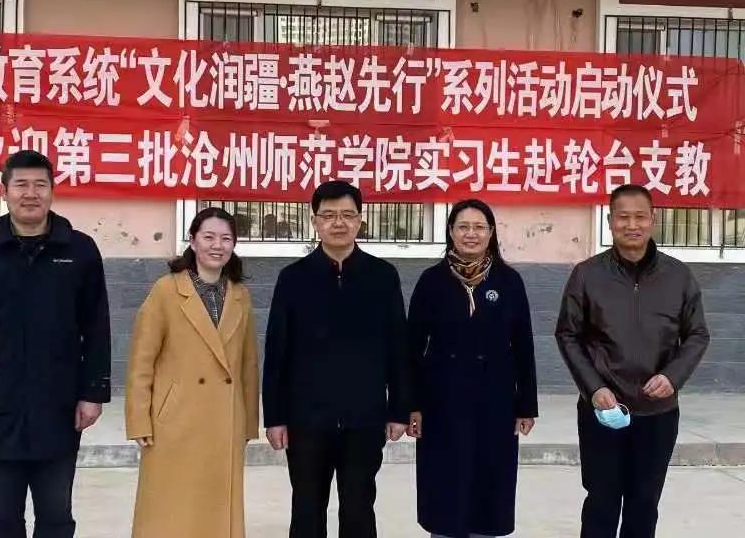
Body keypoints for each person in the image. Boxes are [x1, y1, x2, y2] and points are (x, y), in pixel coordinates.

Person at [0, 150, 111, 538]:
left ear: (52, 191)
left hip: (59, 405)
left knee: (56, 516)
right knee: (2, 517)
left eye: (40, 185)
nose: (31, 193)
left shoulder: (79, 251)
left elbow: (97, 328)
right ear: (4, 192)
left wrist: (93, 393)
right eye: (21, 184)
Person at [555, 184, 710, 538]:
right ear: (610, 221)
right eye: (623, 217)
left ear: (654, 219)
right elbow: (567, 334)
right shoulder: (587, 275)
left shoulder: (678, 276)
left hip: (658, 413)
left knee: (644, 503)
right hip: (603, 411)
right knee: (601, 501)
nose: (632, 225)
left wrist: (673, 377)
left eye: (640, 216)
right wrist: (594, 388)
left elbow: (698, 334)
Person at [262, 180, 411, 538]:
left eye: (347, 214)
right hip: (306, 420)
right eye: (328, 215)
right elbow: (277, 352)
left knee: (359, 509)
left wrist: (399, 410)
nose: (338, 223)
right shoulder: (293, 279)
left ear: (360, 220)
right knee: (307, 509)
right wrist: (275, 417)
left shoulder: (382, 276)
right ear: (314, 221)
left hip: (365, 418)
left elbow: (398, 348)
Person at [125, 206, 259, 538]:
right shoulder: (166, 290)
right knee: (169, 512)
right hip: (174, 421)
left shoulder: (240, 295)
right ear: (193, 241)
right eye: (209, 237)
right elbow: (141, 361)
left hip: (225, 421)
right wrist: (139, 418)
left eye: (226, 239)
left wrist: (247, 423)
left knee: (216, 513)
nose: (218, 245)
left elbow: (248, 365)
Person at [407, 199, 538, 538]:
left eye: (479, 227)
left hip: (495, 401)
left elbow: (523, 346)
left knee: (488, 488)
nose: (471, 234)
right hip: (441, 402)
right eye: (463, 227)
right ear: (450, 232)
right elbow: (412, 348)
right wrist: (412, 404)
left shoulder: (509, 281)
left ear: (491, 233)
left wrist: (526, 405)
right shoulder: (432, 281)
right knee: (445, 488)